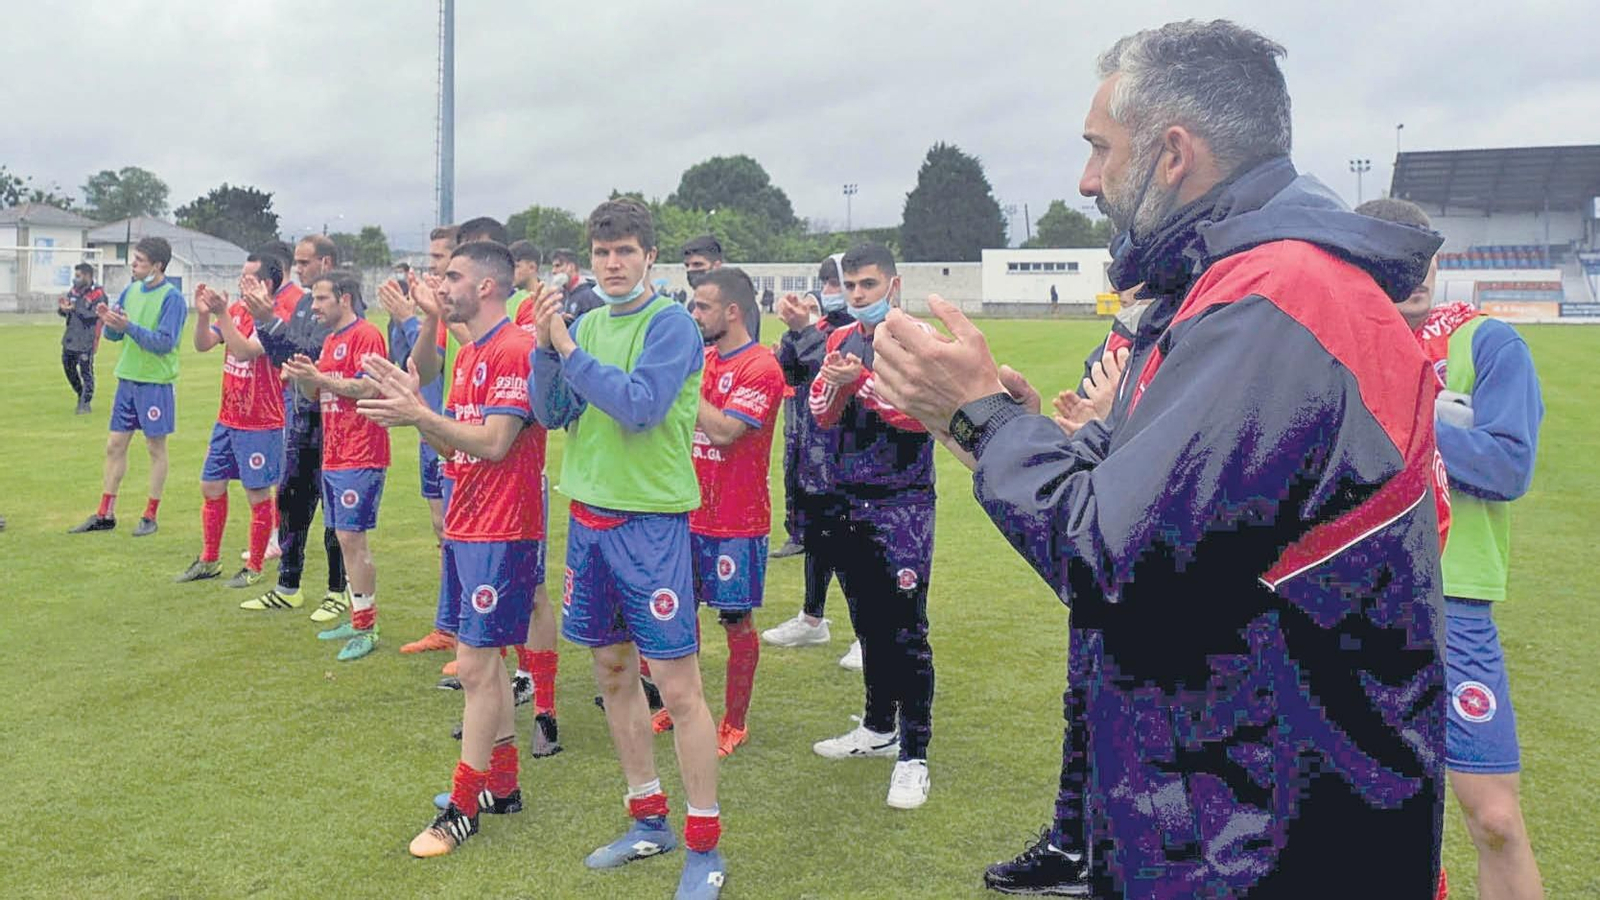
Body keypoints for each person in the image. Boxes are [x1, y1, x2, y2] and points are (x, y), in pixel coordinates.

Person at [869, 20, 1448, 896]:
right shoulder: (1236, 287)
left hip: (1265, 836)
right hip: (1230, 806)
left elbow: (1115, 557)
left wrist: (985, 421)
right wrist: (989, 422)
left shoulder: (1276, 300)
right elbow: (1150, 498)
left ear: (1172, 153)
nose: (1087, 179)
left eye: (1101, 149)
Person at [530, 199, 725, 898]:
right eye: (602, 252)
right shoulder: (578, 323)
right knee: (612, 673)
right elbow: (553, 413)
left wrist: (569, 349)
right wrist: (542, 347)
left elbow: (640, 405)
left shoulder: (671, 324)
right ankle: (648, 819)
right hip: (588, 520)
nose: (612, 264)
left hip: (651, 525)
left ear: (649, 256)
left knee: (678, 687)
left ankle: (704, 845)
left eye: (625, 252)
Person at [1358, 197, 1546, 900]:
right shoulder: (1330, 340)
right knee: (1354, 811)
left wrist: (1406, 415)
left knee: (1494, 817)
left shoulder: (1488, 344)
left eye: (1423, 254)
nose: (1413, 271)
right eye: (1392, 252)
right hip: (1353, 597)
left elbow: (1505, 468)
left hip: (1453, 602)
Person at [356, 241, 548, 857]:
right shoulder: (469, 353)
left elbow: (495, 443)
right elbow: (459, 448)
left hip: (503, 529)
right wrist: (414, 417)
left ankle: (463, 807)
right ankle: (505, 786)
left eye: (452, 276)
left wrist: (419, 413)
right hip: (469, 526)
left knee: (473, 667)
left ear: (486, 286)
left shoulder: (515, 349)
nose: (441, 286)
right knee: (485, 666)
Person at [806, 243, 938, 811]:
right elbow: (819, 412)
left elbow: (922, 415)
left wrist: (861, 384)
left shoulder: (919, 341)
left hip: (902, 503)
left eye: (867, 285)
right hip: (847, 496)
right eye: (851, 286)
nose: (857, 295)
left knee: (905, 630)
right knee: (867, 622)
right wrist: (839, 383)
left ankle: (914, 755)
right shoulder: (841, 339)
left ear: (893, 284)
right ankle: (878, 728)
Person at [679, 266, 786, 758]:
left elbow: (723, 431)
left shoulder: (761, 368)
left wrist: (685, 387)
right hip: (687, 512)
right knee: (682, 618)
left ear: (732, 311)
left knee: (735, 621)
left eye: (702, 306)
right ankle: (685, 706)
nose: (694, 313)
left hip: (737, 521)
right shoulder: (701, 359)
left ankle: (734, 721)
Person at [237, 236, 349, 617]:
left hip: (334, 425)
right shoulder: (304, 302)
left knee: (335, 513)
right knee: (291, 502)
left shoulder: (344, 308)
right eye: (297, 263)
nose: (298, 270)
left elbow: (312, 354)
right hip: (301, 417)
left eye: (304, 263)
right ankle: (288, 585)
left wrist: (271, 322)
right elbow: (287, 355)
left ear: (326, 262)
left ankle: (338, 591)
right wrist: (268, 325)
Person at [280, 270, 389, 661]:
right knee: (345, 539)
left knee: (352, 539)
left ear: (344, 298)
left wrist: (321, 376)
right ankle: (358, 613)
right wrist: (303, 376)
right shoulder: (331, 340)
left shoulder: (367, 335)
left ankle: (367, 626)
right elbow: (318, 390)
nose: (314, 306)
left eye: (322, 298)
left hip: (362, 452)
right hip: (335, 452)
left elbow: (368, 387)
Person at [172, 254, 288, 589]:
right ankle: (209, 559)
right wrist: (205, 315)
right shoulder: (236, 310)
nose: (241, 282)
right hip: (228, 418)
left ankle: (253, 566)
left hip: (261, 422)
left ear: (266, 283)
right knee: (210, 485)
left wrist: (222, 314)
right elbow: (203, 344)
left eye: (248, 277)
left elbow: (244, 351)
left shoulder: (273, 319)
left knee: (257, 495)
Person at [761, 255, 855, 650]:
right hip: (812, 457)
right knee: (817, 541)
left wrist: (803, 332)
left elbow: (829, 370)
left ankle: (868, 639)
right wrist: (789, 339)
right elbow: (790, 374)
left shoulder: (869, 332)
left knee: (856, 548)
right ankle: (812, 618)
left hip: (855, 460)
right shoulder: (816, 328)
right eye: (829, 283)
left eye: (842, 283)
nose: (833, 292)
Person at [69, 236, 187, 537]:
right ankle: (105, 513)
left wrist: (128, 327)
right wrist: (108, 321)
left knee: (155, 447)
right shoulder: (130, 290)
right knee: (114, 445)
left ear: (157, 266)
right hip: (128, 380)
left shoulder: (172, 298)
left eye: (139, 261)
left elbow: (164, 343)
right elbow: (114, 337)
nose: (132, 266)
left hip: (155, 383)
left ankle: (150, 514)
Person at [58, 263, 107, 415]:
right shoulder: (73, 292)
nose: (75, 279)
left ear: (88, 276)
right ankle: (80, 393)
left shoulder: (98, 294)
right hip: (71, 338)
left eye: (78, 276)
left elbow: (95, 316)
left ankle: (85, 403)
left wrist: (76, 309)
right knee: (68, 368)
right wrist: (63, 309)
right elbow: (66, 312)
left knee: (86, 372)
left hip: (87, 339)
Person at [548, 248, 603, 322]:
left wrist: (573, 322)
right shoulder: (558, 296)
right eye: (553, 267)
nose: (553, 271)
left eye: (558, 266)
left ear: (571, 267)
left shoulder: (590, 295)